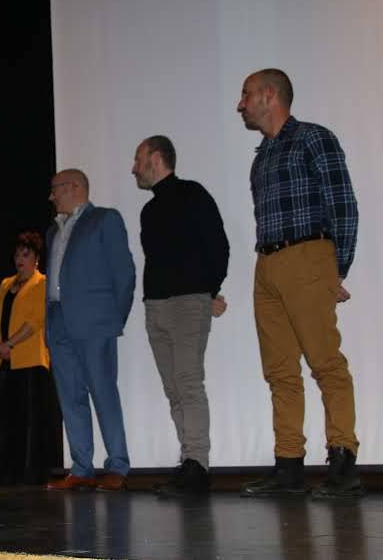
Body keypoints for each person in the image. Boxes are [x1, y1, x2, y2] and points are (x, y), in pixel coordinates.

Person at [236, 68, 362, 498]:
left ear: (270, 95)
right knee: (279, 371)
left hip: (307, 254)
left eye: (247, 94)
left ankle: (343, 462)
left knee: (325, 362)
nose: (241, 104)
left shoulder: (312, 137)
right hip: (267, 263)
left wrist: (336, 269)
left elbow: (342, 203)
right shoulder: (262, 157)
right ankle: (288, 466)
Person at [132, 135, 230, 495]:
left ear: (156, 158)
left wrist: (207, 292)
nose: (133, 168)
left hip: (188, 303)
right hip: (155, 306)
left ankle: (198, 465)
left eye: (138, 159)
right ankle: (189, 462)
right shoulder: (149, 211)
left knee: (188, 382)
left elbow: (218, 247)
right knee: (173, 389)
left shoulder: (193, 194)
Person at [44, 168, 136, 492]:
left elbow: (124, 274)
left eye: (55, 189)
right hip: (58, 320)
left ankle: (117, 466)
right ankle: (81, 468)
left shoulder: (104, 219)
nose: (51, 196)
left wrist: (113, 319)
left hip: (95, 323)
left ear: (73, 187)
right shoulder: (53, 231)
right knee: (70, 397)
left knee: (103, 392)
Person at [0, 232, 61, 485]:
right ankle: (0, 472)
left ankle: (29, 474)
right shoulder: (6, 284)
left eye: (26, 255)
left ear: (36, 258)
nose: (20, 259)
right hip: (2, 360)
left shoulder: (42, 283)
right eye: (17, 254)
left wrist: (9, 344)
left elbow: (36, 320)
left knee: (29, 421)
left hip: (30, 361)